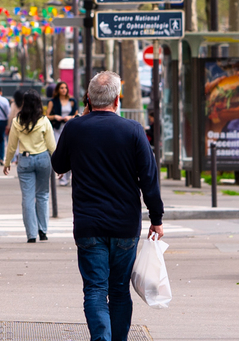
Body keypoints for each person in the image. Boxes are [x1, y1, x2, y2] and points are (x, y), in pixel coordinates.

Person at [52, 72, 164, 341]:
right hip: (124, 223)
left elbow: (58, 165)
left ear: (88, 99)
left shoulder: (75, 128)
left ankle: (101, 338)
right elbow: (149, 178)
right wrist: (156, 218)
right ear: (117, 101)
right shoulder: (133, 130)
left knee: (94, 289)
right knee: (118, 290)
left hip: (88, 223)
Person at [3, 92, 57, 243]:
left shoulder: (16, 122)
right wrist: (59, 165)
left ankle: (31, 234)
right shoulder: (44, 121)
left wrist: (7, 163)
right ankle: (43, 230)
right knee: (43, 195)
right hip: (42, 159)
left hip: (25, 160)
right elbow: (52, 145)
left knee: (27, 197)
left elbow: (12, 145)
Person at [49, 81, 79, 185]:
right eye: (61, 88)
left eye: (65, 88)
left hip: (69, 128)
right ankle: (61, 177)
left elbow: (76, 114)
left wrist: (70, 117)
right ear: (58, 89)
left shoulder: (72, 101)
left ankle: (67, 176)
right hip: (57, 129)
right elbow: (47, 116)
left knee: (70, 152)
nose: (64, 90)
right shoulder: (53, 101)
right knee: (60, 151)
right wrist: (55, 117)